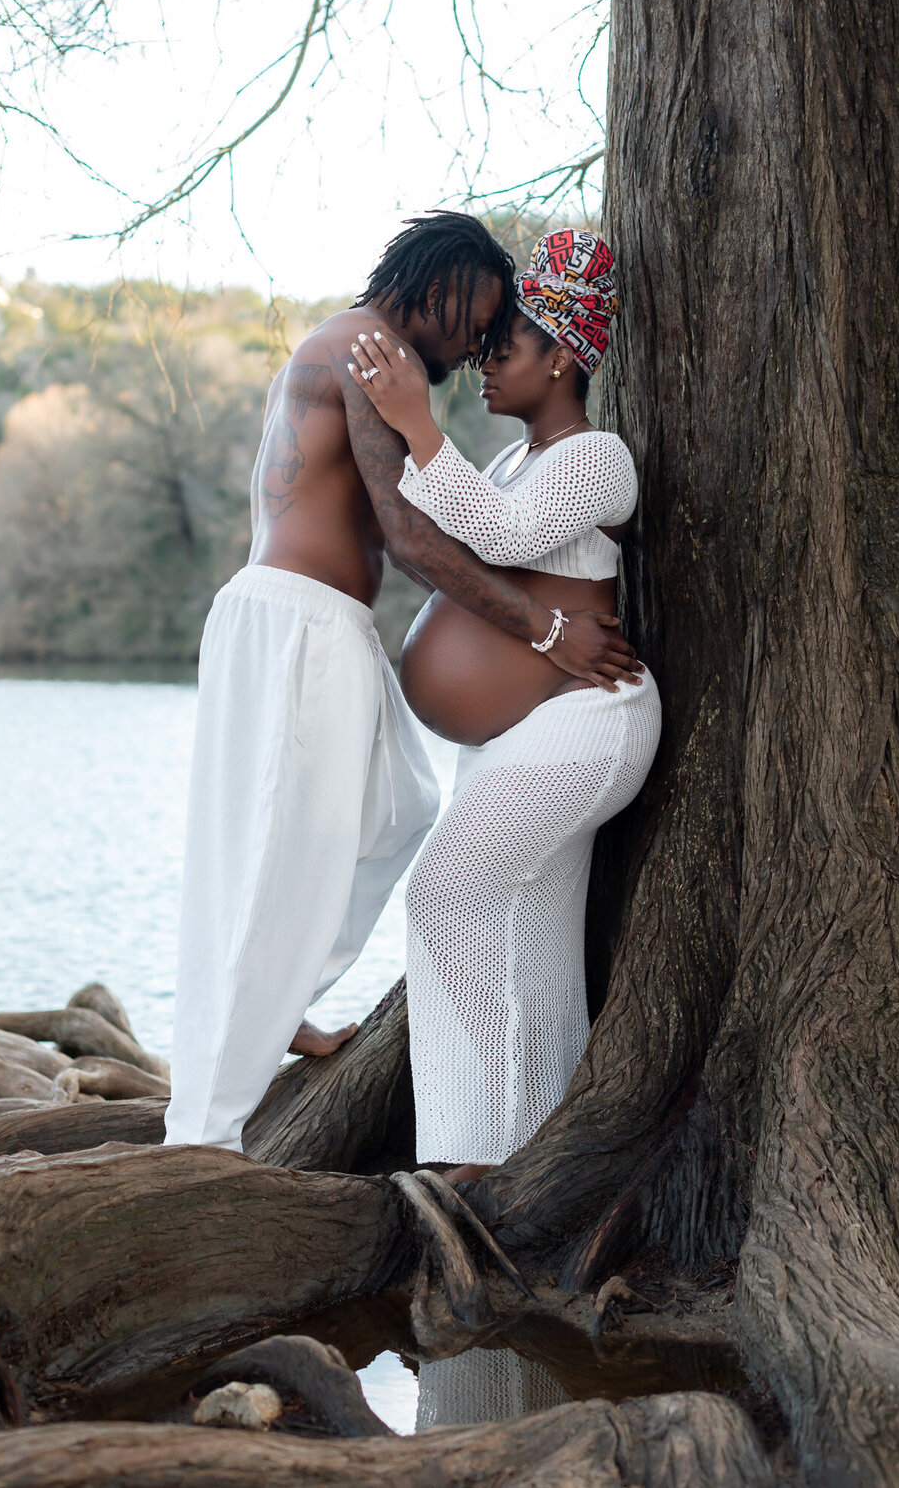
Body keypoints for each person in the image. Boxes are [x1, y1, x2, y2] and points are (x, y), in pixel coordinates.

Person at [164, 213, 643, 1153]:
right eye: (479, 319)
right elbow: (420, 536)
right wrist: (547, 630)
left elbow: (454, 519)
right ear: (445, 283)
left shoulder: (346, 343)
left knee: (397, 810)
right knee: (278, 856)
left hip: (292, 618)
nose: (477, 346)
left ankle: (281, 1005)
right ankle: (205, 1137)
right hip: (302, 625)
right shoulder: (377, 357)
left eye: (503, 333)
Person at [349, 228, 662, 1184]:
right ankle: (511, 1152)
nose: (483, 367)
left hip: (589, 722)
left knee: (446, 896)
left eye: (505, 348)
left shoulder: (598, 458)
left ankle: (475, 1163)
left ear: (562, 355)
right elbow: (450, 528)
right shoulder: (505, 462)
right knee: (530, 943)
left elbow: (507, 534)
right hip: (519, 731)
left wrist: (420, 424)